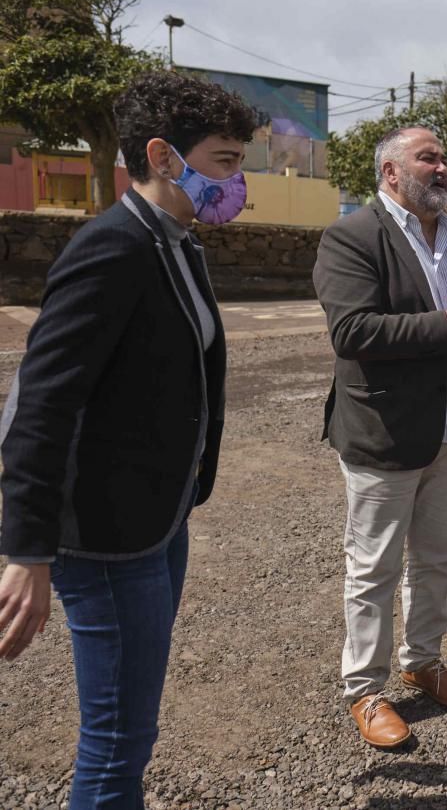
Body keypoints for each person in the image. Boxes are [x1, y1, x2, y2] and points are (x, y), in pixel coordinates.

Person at [0, 70, 255, 808]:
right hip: (106, 540)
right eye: (226, 162)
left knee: (129, 737)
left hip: (157, 520)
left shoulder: (176, 239)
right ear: (162, 155)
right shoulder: (112, 248)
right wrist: (27, 551)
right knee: (115, 747)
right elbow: (41, 404)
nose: (239, 182)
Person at [313, 127, 447, 748]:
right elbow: (352, 331)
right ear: (391, 173)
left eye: (444, 159)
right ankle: (366, 691)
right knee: (373, 566)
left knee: (436, 557)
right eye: (428, 158)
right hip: (385, 431)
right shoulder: (351, 237)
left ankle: (422, 660)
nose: (443, 168)